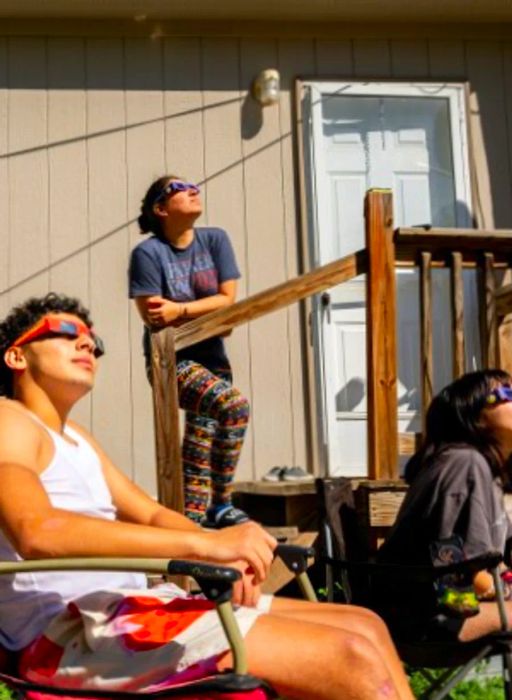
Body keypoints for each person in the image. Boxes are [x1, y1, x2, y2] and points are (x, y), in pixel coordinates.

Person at [0, 292, 414, 700]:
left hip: (128, 610)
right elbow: (37, 532)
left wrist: (221, 554)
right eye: (67, 331)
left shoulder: (76, 439)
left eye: (93, 339)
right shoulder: (9, 421)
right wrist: (206, 543)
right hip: (69, 635)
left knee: (364, 625)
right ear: (17, 356)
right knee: (350, 656)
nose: (87, 342)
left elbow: (152, 515)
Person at [129, 176, 250, 529]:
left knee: (198, 456)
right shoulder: (148, 253)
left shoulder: (215, 240)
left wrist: (180, 310)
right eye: (179, 187)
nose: (192, 189)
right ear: (161, 209)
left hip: (215, 361)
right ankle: (223, 503)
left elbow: (227, 302)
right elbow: (154, 316)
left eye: (193, 184)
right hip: (173, 363)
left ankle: (194, 531)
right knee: (234, 406)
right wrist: (206, 311)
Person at [377, 369, 512, 644]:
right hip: (424, 619)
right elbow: (450, 563)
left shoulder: (486, 470)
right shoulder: (464, 464)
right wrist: (505, 592)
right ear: (475, 416)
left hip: (441, 609)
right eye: (506, 393)